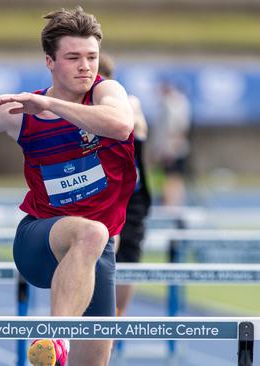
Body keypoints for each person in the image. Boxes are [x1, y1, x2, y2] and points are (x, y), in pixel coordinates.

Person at [0, 7, 136, 366]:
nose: (85, 66)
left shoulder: (106, 92)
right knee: (92, 232)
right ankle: (55, 337)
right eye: (73, 58)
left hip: (95, 255)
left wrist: (51, 104)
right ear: (50, 62)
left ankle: (58, 347)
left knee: (94, 362)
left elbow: (120, 125)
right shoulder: (20, 112)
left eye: (92, 57)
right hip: (39, 241)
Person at [98, 54, 151, 318]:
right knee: (103, 250)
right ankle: (95, 316)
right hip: (101, 197)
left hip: (132, 197)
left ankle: (118, 319)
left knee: (129, 258)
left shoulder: (128, 103)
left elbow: (136, 126)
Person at [151, 80, 191, 206]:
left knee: (172, 176)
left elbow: (176, 128)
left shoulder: (173, 104)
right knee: (172, 176)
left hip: (172, 148)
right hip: (172, 147)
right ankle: (173, 203)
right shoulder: (175, 103)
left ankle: (172, 204)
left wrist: (167, 149)